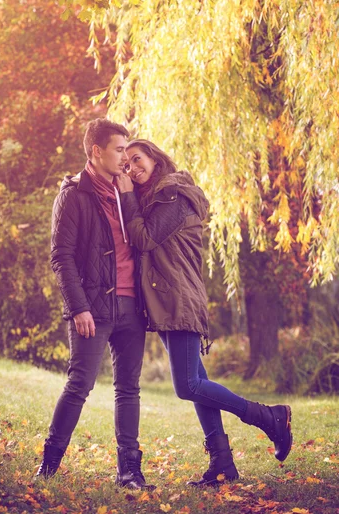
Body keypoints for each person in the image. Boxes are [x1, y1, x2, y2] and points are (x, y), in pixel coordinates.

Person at [118, 139, 292, 486]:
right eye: (126, 165)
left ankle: (269, 417)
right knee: (199, 383)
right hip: (166, 302)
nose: (132, 169)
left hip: (179, 300)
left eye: (136, 160)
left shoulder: (172, 195)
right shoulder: (154, 196)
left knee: (188, 386)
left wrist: (125, 195)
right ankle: (223, 464)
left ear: (154, 158)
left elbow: (143, 239)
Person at [36, 119, 153, 490]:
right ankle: (49, 465)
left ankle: (129, 472)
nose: (125, 157)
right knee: (79, 384)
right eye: (119, 150)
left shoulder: (127, 191)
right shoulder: (73, 194)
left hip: (131, 306)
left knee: (129, 389)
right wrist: (78, 306)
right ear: (96, 152)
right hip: (92, 308)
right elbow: (61, 256)